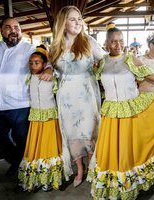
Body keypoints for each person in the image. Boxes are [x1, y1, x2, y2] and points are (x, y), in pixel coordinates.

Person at [0, 17, 52, 176]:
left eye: (16, 27)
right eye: (8, 27)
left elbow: (46, 63)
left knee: (22, 140)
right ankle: (17, 162)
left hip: (20, 105)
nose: (13, 30)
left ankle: (24, 168)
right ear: (1, 31)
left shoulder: (29, 49)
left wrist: (48, 69)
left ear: (20, 30)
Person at [87, 24, 154, 199]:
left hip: (130, 111)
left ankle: (131, 181)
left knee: (130, 148)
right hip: (111, 113)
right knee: (111, 150)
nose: (118, 45)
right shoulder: (101, 63)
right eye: (113, 41)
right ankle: (113, 183)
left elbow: (152, 77)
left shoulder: (131, 59)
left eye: (120, 41)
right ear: (106, 43)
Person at [50, 6, 104, 187]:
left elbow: (105, 60)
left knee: (89, 131)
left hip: (87, 93)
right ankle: (79, 169)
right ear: (63, 23)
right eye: (73, 19)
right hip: (66, 97)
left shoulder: (89, 41)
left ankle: (93, 166)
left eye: (80, 18)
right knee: (72, 132)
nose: (78, 22)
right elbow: (52, 67)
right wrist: (49, 71)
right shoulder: (56, 44)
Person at [18, 45, 63, 192]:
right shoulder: (28, 77)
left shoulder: (53, 76)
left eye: (37, 62)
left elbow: (55, 68)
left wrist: (50, 68)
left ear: (44, 64)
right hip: (36, 119)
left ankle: (49, 180)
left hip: (50, 118)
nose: (33, 65)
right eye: (31, 62)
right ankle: (35, 179)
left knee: (49, 148)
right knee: (35, 148)